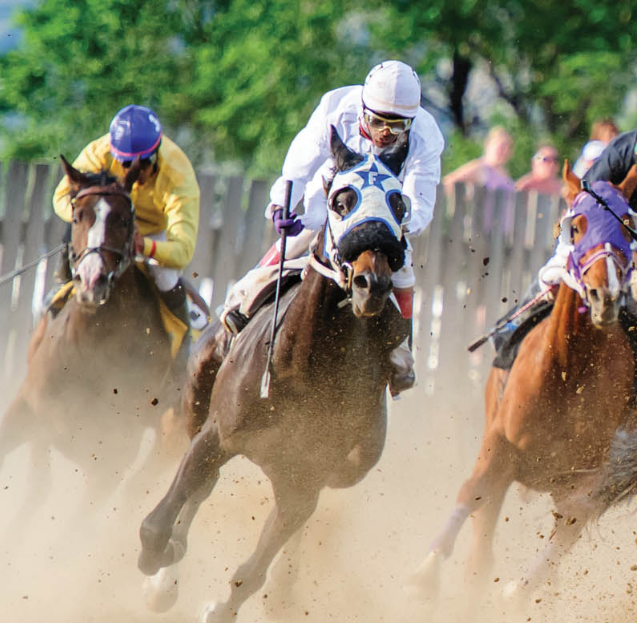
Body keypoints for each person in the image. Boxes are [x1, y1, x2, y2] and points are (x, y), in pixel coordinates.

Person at [221, 60, 445, 396]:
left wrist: (388, 221)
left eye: (397, 125)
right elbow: (298, 167)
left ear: (411, 121)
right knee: (291, 245)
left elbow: (422, 204)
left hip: (383, 219)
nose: (386, 132)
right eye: (378, 120)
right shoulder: (335, 108)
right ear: (362, 109)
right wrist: (283, 205)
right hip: (332, 204)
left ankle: (400, 354)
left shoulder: (426, 136)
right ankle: (241, 306)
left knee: (402, 271)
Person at [495, 108, 637, 400]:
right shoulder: (618, 153)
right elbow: (585, 205)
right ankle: (508, 343)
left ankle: (636, 382)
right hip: (601, 219)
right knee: (554, 276)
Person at [52, 104, 202, 336]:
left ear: (157, 153)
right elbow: (61, 198)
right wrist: (91, 222)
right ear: (114, 155)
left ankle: (182, 345)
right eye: (125, 163)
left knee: (166, 276)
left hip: (151, 233)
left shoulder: (178, 173)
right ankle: (52, 308)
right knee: (78, 258)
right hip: (105, 228)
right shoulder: (97, 153)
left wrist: (143, 245)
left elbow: (183, 249)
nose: (135, 171)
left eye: (144, 163)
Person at [442, 126, 515, 191]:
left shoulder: (505, 173)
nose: (503, 151)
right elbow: (449, 181)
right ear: (488, 144)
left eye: (507, 147)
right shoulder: (481, 168)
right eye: (501, 146)